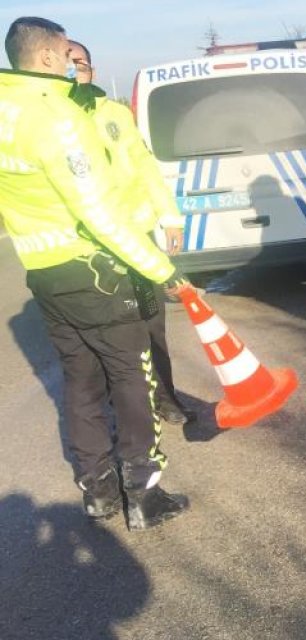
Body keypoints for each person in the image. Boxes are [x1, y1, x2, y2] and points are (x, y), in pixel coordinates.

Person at [0, 17, 191, 530]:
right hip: (96, 270)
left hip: (43, 272)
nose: (68, 62)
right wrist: (158, 267)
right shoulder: (56, 118)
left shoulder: (6, 110)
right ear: (44, 57)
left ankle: (98, 492)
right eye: (65, 53)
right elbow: (96, 211)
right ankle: (145, 496)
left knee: (80, 382)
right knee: (132, 376)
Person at [68, 39, 191, 426]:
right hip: (87, 251)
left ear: (93, 71)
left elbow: (145, 167)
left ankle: (166, 399)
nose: (75, 72)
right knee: (104, 339)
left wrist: (170, 217)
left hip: (137, 241)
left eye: (82, 64)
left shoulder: (115, 115)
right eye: (68, 65)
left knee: (152, 323)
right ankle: (123, 408)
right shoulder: (52, 120)